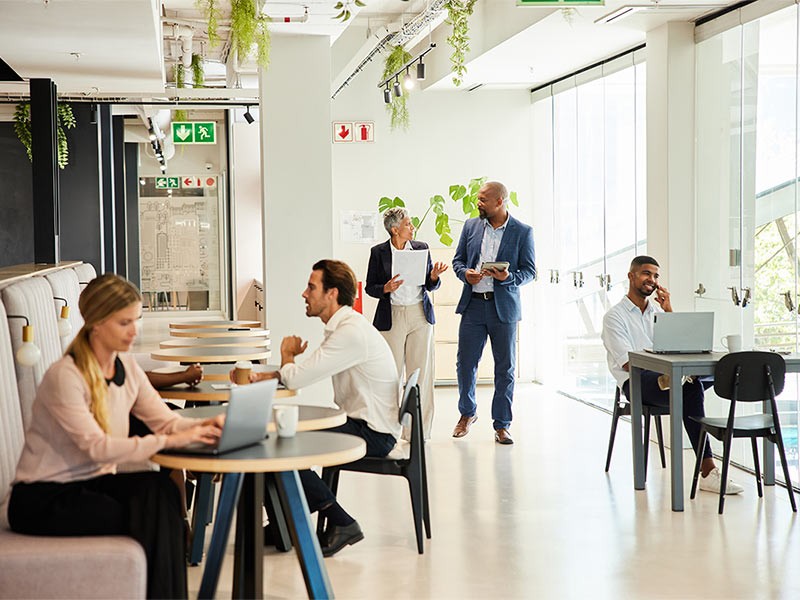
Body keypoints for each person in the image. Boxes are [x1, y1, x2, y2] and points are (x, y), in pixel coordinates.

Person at [8, 274, 224, 599]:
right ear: (96, 322)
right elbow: (98, 449)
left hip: (90, 485)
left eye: (136, 320)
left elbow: (164, 421)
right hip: (43, 499)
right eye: (124, 322)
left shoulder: (126, 367)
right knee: (157, 517)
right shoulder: (66, 376)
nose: (134, 331)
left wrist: (204, 428)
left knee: (162, 491)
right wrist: (169, 442)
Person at [246, 259, 400, 557]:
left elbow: (300, 376)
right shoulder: (343, 327)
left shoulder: (350, 333)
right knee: (275, 438)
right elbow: (303, 371)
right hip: (363, 423)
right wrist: (279, 372)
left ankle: (341, 522)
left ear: (332, 294)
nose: (305, 294)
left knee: (277, 443)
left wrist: (286, 357)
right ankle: (283, 522)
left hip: (373, 434)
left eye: (311, 287)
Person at [601, 255, 742, 494]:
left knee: (716, 375)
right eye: (647, 273)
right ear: (631, 276)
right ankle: (708, 470)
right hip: (637, 381)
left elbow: (680, 346)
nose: (652, 280)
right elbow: (628, 364)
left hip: (669, 376)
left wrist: (669, 311)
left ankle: (679, 382)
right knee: (689, 386)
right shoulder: (615, 317)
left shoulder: (658, 312)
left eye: (656, 276)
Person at [451, 181, 536, 444]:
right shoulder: (471, 226)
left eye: (483, 199)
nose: (478, 203)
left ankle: (502, 425)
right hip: (474, 306)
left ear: (500, 202)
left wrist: (508, 276)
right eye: (478, 198)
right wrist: (466, 274)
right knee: (465, 364)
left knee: (506, 369)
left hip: (504, 310)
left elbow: (530, 272)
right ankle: (467, 414)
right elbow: (458, 260)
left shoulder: (522, 232)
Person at [366, 207, 447, 440]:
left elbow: (431, 286)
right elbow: (370, 287)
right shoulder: (378, 252)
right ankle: (389, 430)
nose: (412, 228)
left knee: (420, 374)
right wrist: (385, 288)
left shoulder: (421, 248)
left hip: (420, 315)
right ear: (394, 229)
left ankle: (417, 433)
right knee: (390, 374)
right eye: (408, 225)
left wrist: (434, 277)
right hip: (392, 316)